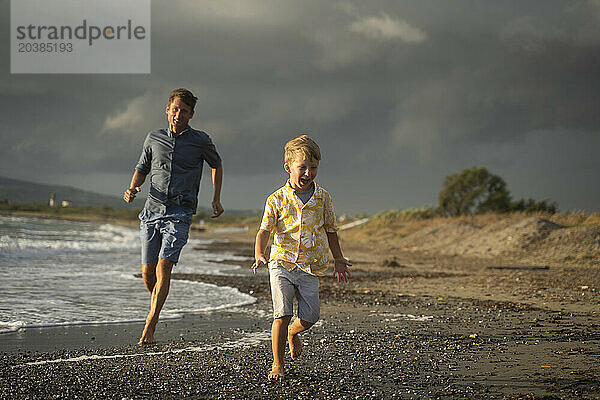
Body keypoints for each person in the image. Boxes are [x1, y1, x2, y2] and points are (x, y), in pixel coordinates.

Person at [123, 88, 224, 345]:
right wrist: (133, 188)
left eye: (185, 111)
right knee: (148, 273)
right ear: (167, 109)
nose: (179, 114)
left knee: (164, 267)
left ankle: (150, 325)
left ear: (191, 115)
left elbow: (216, 165)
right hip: (151, 210)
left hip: (180, 212)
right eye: (175, 109)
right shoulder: (153, 138)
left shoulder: (200, 141)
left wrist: (216, 198)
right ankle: (157, 303)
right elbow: (142, 168)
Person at [251, 134, 351, 381]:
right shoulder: (276, 199)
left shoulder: (323, 198)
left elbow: (331, 230)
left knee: (310, 317)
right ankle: (277, 364)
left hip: (310, 267)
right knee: (282, 313)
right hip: (281, 263)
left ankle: (292, 334)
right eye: (302, 167)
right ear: (288, 168)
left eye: (313, 168)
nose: (308, 173)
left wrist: (338, 259)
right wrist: (259, 253)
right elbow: (264, 230)